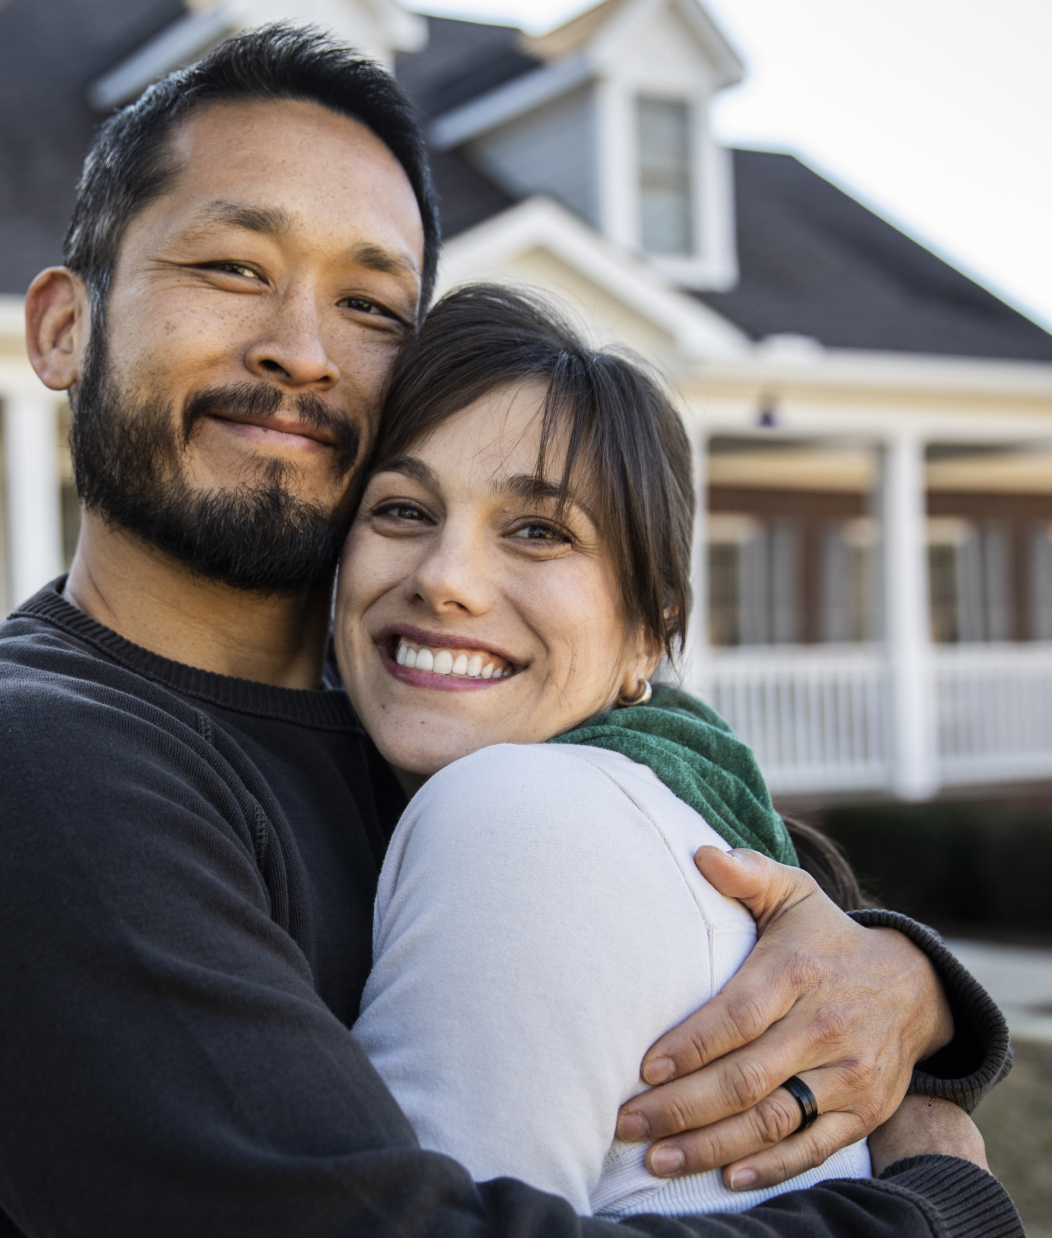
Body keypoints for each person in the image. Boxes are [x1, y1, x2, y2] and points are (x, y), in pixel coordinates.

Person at [0, 26, 1015, 1238]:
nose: (301, 346)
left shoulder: (421, 714)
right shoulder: (23, 773)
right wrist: (938, 1205)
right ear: (64, 328)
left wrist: (911, 989)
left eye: (370, 302)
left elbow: (740, 862)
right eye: (233, 266)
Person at [340, 284, 985, 1218]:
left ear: (650, 630)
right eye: (402, 510)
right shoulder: (650, 805)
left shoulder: (516, 811)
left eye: (538, 531)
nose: (445, 580)